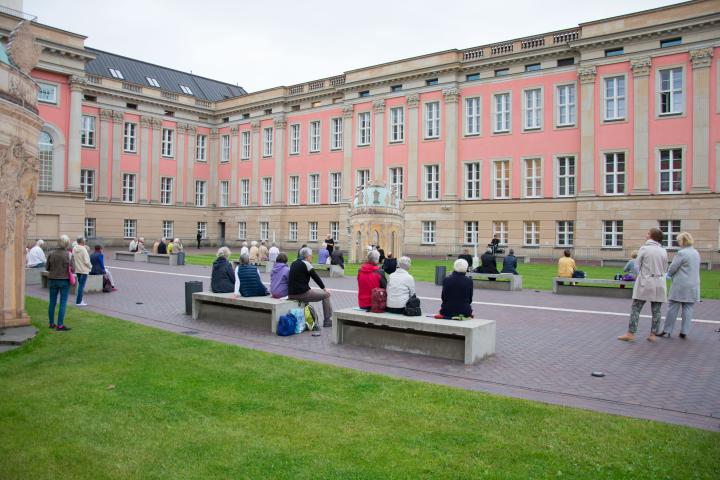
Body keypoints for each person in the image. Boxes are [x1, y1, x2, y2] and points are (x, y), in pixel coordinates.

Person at [618, 228, 668, 342]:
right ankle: (653, 334)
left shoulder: (644, 249)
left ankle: (631, 333)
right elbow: (665, 268)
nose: (646, 235)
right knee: (656, 310)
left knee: (636, 307)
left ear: (651, 236)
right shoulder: (663, 251)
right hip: (659, 282)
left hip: (646, 281)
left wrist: (641, 275)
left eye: (648, 233)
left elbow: (637, 266)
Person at [657, 232, 700, 339]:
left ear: (683, 241)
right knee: (688, 308)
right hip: (693, 284)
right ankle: (684, 331)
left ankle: (667, 330)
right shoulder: (696, 252)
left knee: (672, 307)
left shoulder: (682, 253)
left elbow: (673, 268)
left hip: (681, 284)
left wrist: (668, 274)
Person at [288, 247, 333, 327]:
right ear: (307, 257)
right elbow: (316, 277)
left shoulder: (293, 263)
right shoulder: (307, 264)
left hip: (291, 294)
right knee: (326, 296)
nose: (312, 257)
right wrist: (325, 289)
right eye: (311, 256)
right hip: (302, 293)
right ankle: (327, 320)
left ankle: (308, 319)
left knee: (309, 292)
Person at [46, 235, 72, 331]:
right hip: (64, 280)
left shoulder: (51, 253)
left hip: (52, 280)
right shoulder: (68, 254)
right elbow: (73, 268)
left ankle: (51, 323)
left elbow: (47, 268)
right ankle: (60, 325)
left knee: (52, 302)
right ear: (67, 243)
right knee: (63, 303)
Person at [71, 236, 92, 307]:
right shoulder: (83, 249)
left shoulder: (74, 248)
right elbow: (87, 261)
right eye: (84, 241)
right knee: (81, 286)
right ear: (82, 242)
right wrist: (90, 266)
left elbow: (73, 257)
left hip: (78, 269)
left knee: (80, 285)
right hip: (84, 270)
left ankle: (80, 300)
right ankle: (79, 301)